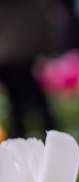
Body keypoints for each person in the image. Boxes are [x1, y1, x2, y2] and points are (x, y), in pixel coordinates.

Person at [0, 0, 60, 137]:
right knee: (24, 97)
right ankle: (45, 128)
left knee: (21, 98)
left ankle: (24, 132)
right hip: (19, 50)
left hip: (14, 51)